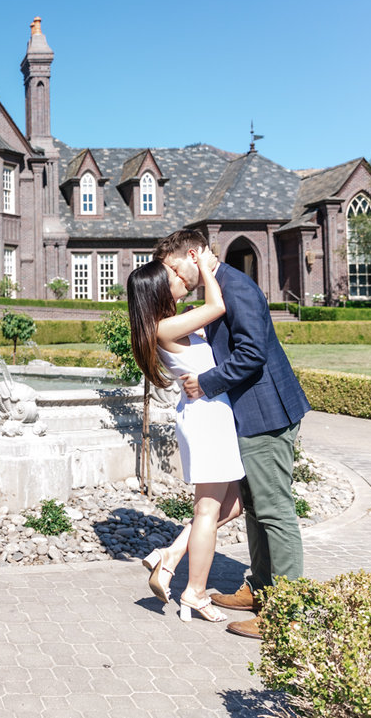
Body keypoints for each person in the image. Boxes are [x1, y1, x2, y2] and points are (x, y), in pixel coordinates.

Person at [155, 229, 311, 639]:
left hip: (266, 414)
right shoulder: (218, 287)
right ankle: (260, 590)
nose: (176, 278)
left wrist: (205, 383)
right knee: (258, 508)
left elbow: (251, 354)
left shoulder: (235, 287)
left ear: (193, 254)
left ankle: (288, 614)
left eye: (174, 268)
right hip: (248, 415)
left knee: (275, 510)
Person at [127, 249, 244, 624]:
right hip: (206, 417)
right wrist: (209, 269)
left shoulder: (171, 322)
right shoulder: (164, 328)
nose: (180, 280)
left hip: (210, 414)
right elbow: (216, 305)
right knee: (208, 510)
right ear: (158, 291)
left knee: (237, 504)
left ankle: (171, 555)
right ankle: (194, 591)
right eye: (172, 277)